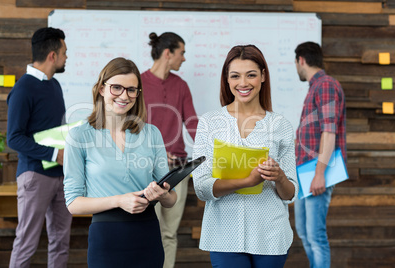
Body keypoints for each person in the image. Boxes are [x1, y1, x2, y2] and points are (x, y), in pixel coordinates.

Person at [63, 57, 177, 267]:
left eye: (131, 90)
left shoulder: (151, 134)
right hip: (107, 238)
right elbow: (73, 204)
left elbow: (171, 201)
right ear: (101, 89)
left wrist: (163, 194)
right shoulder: (79, 136)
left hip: (148, 237)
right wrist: (119, 200)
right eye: (116, 87)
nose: (124, 96)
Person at [192, 45, 298, 268]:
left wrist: (279, 177)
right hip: (224, 236)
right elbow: (201, 188)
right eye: (235, 76)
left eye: (251, 74)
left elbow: (290, 194)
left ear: (263, 76)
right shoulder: (210, 123)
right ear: (227, 80)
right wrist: (247, 182)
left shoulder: (280, 125)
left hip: (271, 235)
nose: (243, 83)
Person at [6, 27, 72, 268]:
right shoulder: (23, 88)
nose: (67, 57)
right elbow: (13, 139)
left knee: (60, 243)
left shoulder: (55, 86)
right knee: (27, 242)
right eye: (65, 52)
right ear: (52, 55)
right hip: (34, 175)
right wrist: (56, 154)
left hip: (61, 176)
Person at [141, 32, 198, 268]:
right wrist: (154, 153)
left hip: (177, 170)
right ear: (168, 53)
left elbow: (193, 123)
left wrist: (214, 151)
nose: (183, 58)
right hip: (146, 170)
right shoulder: (138, 83)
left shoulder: (181, 86)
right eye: (181, 53)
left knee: (169, 233)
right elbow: (129, 128)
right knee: (148, 233)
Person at [293, 41, 346, 268]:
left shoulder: (325, 85)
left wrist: (319, 173)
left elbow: (329, 131)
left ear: (301, 60)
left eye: (296, 63)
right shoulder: (315, 87)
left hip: (316, 171)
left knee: (316, 236)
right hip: (306, 170)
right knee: (305, 233)